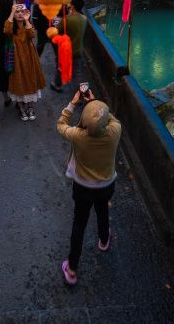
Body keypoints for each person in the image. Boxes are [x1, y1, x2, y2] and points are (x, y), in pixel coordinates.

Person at [57, 88, 121, 285]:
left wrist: (73, 104)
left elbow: (61, 125)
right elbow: (111, 119)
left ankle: (72, 269)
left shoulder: (78, 135)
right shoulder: (114, 133)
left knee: (79, 224)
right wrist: (96, 104)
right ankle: (103, 241)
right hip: (106, 186)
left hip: (83, 188)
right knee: (102, 211)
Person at [5, 3, 47, 121]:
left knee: (30, 79)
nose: (19, 14)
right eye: (17, 12)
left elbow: (32, 34)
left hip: (29, 57)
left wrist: (27, 20)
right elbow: (7, 31)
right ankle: (21, 109)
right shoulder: (10, 25)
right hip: (16, 57)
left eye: (21, 12)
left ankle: (30, 107)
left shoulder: (27, 24)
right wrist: (12, 13)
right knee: (18, 81)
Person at [50, 0, 87, 93]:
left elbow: (55, 32)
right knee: (78, 73)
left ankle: (57, 85)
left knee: (60, 67)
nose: (69, 4)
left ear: (73, 6)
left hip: (66, 51)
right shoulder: (84, 19)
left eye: (70, 3)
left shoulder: (67, 21)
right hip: (78, 50)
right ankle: (81, 95)